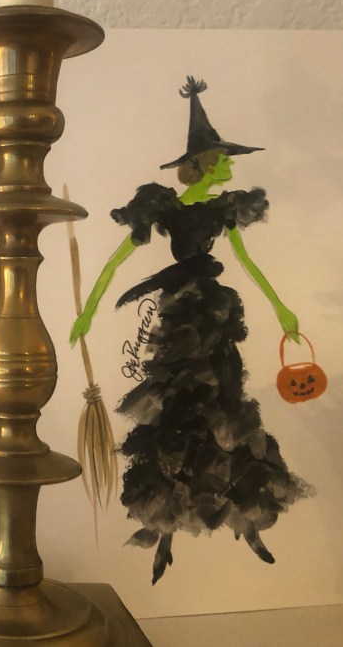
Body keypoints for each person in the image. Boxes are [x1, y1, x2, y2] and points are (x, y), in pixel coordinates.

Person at [70, 76, 310, 583]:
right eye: (222, 159)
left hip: (215, 318)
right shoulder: (166, 208)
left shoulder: (223, 209)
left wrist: (282, 310)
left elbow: (245, 261)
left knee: (228, 406)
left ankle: (247, 519)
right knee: (176, 413)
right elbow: (117, 261)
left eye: (229, 159)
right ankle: (164, 530)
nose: (229, 166)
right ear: (199, 165)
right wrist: (88, 311)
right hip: (182, 323)